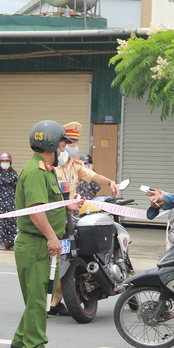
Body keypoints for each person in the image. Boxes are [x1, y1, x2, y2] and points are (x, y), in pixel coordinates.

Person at [10, 120, 84, 348]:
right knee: (38, 298)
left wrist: (67, 205)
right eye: (63, 144)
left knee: (37, 295)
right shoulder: (34, 172)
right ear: (51, 144)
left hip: (42, 243)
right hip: (35, 243)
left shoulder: (47, 170)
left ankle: (22, 338)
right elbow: (36, 210)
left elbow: (49, 203)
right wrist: (52, 237)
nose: (64, 149)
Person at [49, 122, 120, 317]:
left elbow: (93, 176)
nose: (74, 146)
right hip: (55, 219)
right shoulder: (50, 167)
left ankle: (56, 302)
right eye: (70, 142)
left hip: (70, 217)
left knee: (70, 256)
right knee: (60, 258)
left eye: (77, 142)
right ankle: (51, 302)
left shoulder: (75, 165)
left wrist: (110, 182)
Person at [0, 152, 19, 250]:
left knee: (11, 223)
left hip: (10, 202)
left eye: (6, 161)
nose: (5, 163)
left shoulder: (14, 174)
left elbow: (18, 188)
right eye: (3, 161)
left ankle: (10, 244)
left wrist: (17, 201)